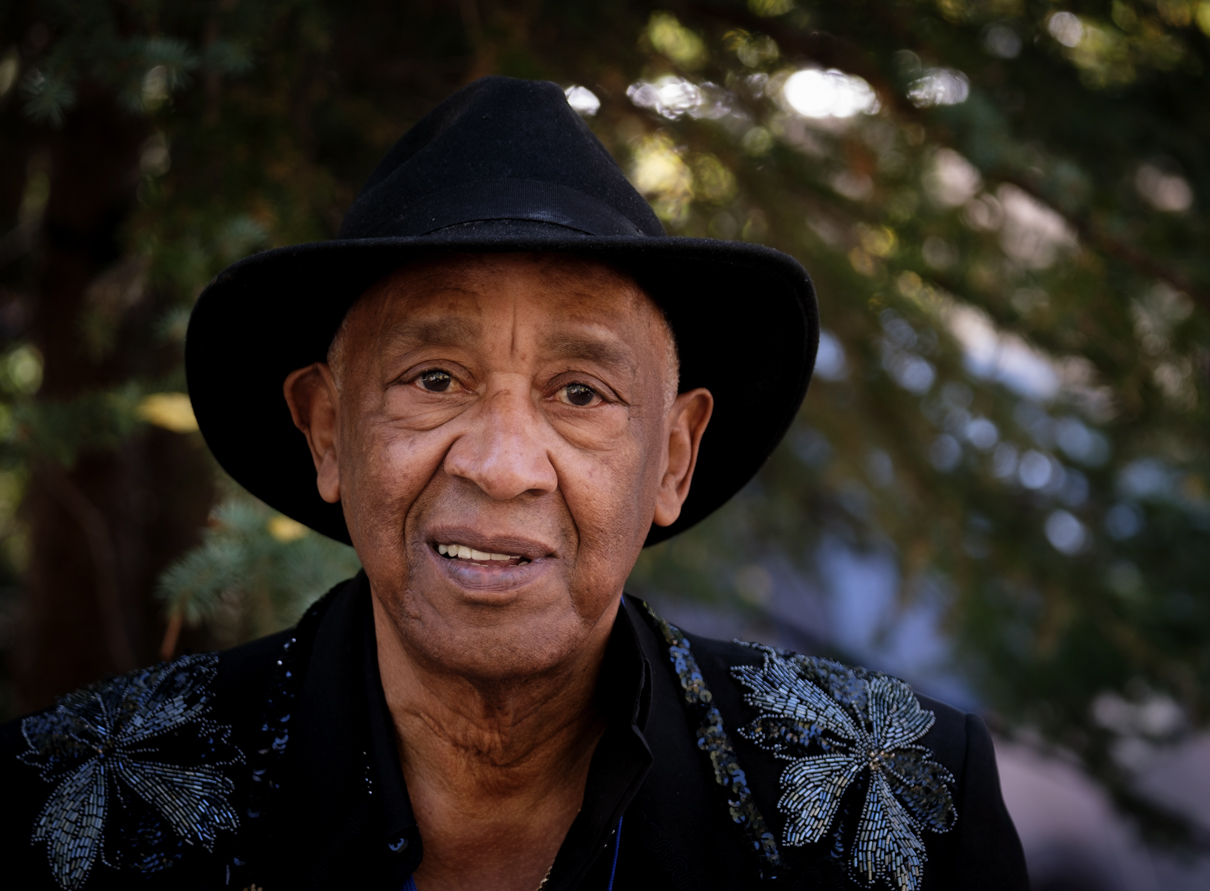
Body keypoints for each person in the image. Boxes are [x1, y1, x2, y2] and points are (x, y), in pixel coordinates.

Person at [0, 76, 1029, 891]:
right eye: (433, 379)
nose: (500, 466)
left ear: (673, 458)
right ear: (327, 430)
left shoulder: (900, 801)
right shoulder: (67, 807)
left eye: (580, 392)